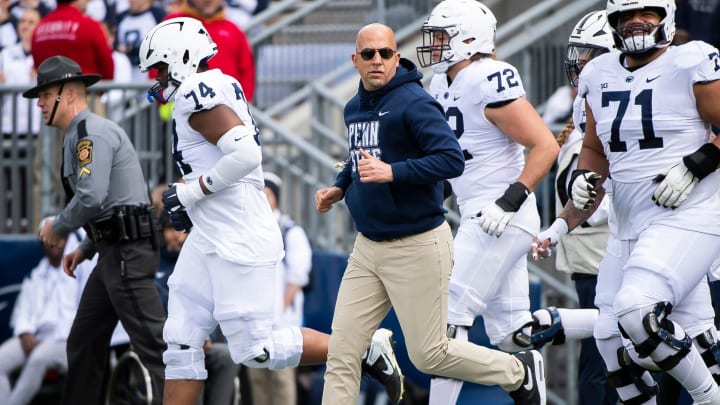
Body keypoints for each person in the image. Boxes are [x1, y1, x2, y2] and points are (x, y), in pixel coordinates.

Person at [137, 17, 403, 405]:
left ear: (182, 58)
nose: (157, 78)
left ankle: (362, 348)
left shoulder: (198, 88)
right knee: (181, 339)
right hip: (211, 234)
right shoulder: (211, 85)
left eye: (160, 68)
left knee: (255, 350)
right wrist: (192, 204)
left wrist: (191, 193)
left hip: (237, 236)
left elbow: (245, 155)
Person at [317, 20, 547, 405]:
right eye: (369, 54)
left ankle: (517, 372)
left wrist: (392, 172)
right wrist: (341, 186)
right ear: (354, 60)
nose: (377, 61)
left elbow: (450, 159)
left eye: (385, 53)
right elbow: (359, 158)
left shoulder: (414, 101)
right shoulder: (353, 107)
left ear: (396, 58)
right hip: (368, 246)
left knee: (429, 354)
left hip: (416, 243)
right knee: (341, 353)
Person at [571, 0, 720, 403]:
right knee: (608, 338)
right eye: (625, 15)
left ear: (666, 16)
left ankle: (710, 398)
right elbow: (594, 148)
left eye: (646, 13)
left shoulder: (691, 61)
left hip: (688, 214)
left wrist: (701, 161)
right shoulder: (599, 72)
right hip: (629, 222)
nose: (636, 22)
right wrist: (582, 180)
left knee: (637, 313)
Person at [413, 2, 559, 403]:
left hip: (500, 214)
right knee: (513, 334)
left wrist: (511, 200)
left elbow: (544, 144)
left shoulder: (488, 76)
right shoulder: (441, 83)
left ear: (468, 37)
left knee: (446, 317)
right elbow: (460, 157)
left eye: (442, 36)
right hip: (478, 211)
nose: (435, 45)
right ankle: (610, 325)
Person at [24, 55, 166, 404]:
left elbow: (91, 196)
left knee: (157, 349)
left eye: (44, 94)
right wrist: (86, 247)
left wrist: (57, 227)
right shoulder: (80, 134)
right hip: (113, 252)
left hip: (126, 253)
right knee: (84, 341)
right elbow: (111, 203)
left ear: (68, 94)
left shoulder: (90, 133)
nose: (40, 103)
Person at [529, 10, 619, 405]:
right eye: (580, 54)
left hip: (607, 244)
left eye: (590, 54)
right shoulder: (590, 109)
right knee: (606, 357)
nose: (580, 62)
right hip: (599, 247)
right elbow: (591, 195)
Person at [0, 218, 92, 405]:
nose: (56, 242)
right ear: (42, 243)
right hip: (34, 335)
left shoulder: (79, 270)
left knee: (38, 359)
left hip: (64, 337)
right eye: (50, 238)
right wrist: (25, 332)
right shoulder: (35, 276)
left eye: (60, 238)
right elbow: (22, 311)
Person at [246, 172, 313, 405]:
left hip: (281, 323)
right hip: (253, 320)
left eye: (268, 193)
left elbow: (297, 275)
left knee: (282, 380)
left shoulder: (289, 230)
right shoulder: (248, 230)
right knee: (257, 379)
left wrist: (281, 311)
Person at [165, 0, 255, 102]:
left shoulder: (233, 29)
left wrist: (243, 102)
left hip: (227, 109)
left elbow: (247, 70)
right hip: (184, 108)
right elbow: (156, 64)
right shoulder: (174, 23)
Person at [31, 0, 114, 80]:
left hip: (49, 90)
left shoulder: (39, 28)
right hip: (83, 90)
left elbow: (38, 66)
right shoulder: (89, 25)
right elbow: (107, 70)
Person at [0, 7, 41, 137]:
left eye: (31, 22)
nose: (25, 25)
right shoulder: (5, 54)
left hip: (37, 126)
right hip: (10, 127)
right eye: (22, 21)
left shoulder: (46, 55)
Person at [114, 0, 166, 82]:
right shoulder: (121, 17)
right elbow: (115, 44)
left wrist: (133, 49)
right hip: (126, 73)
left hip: (150, 73)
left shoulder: (158, 14)